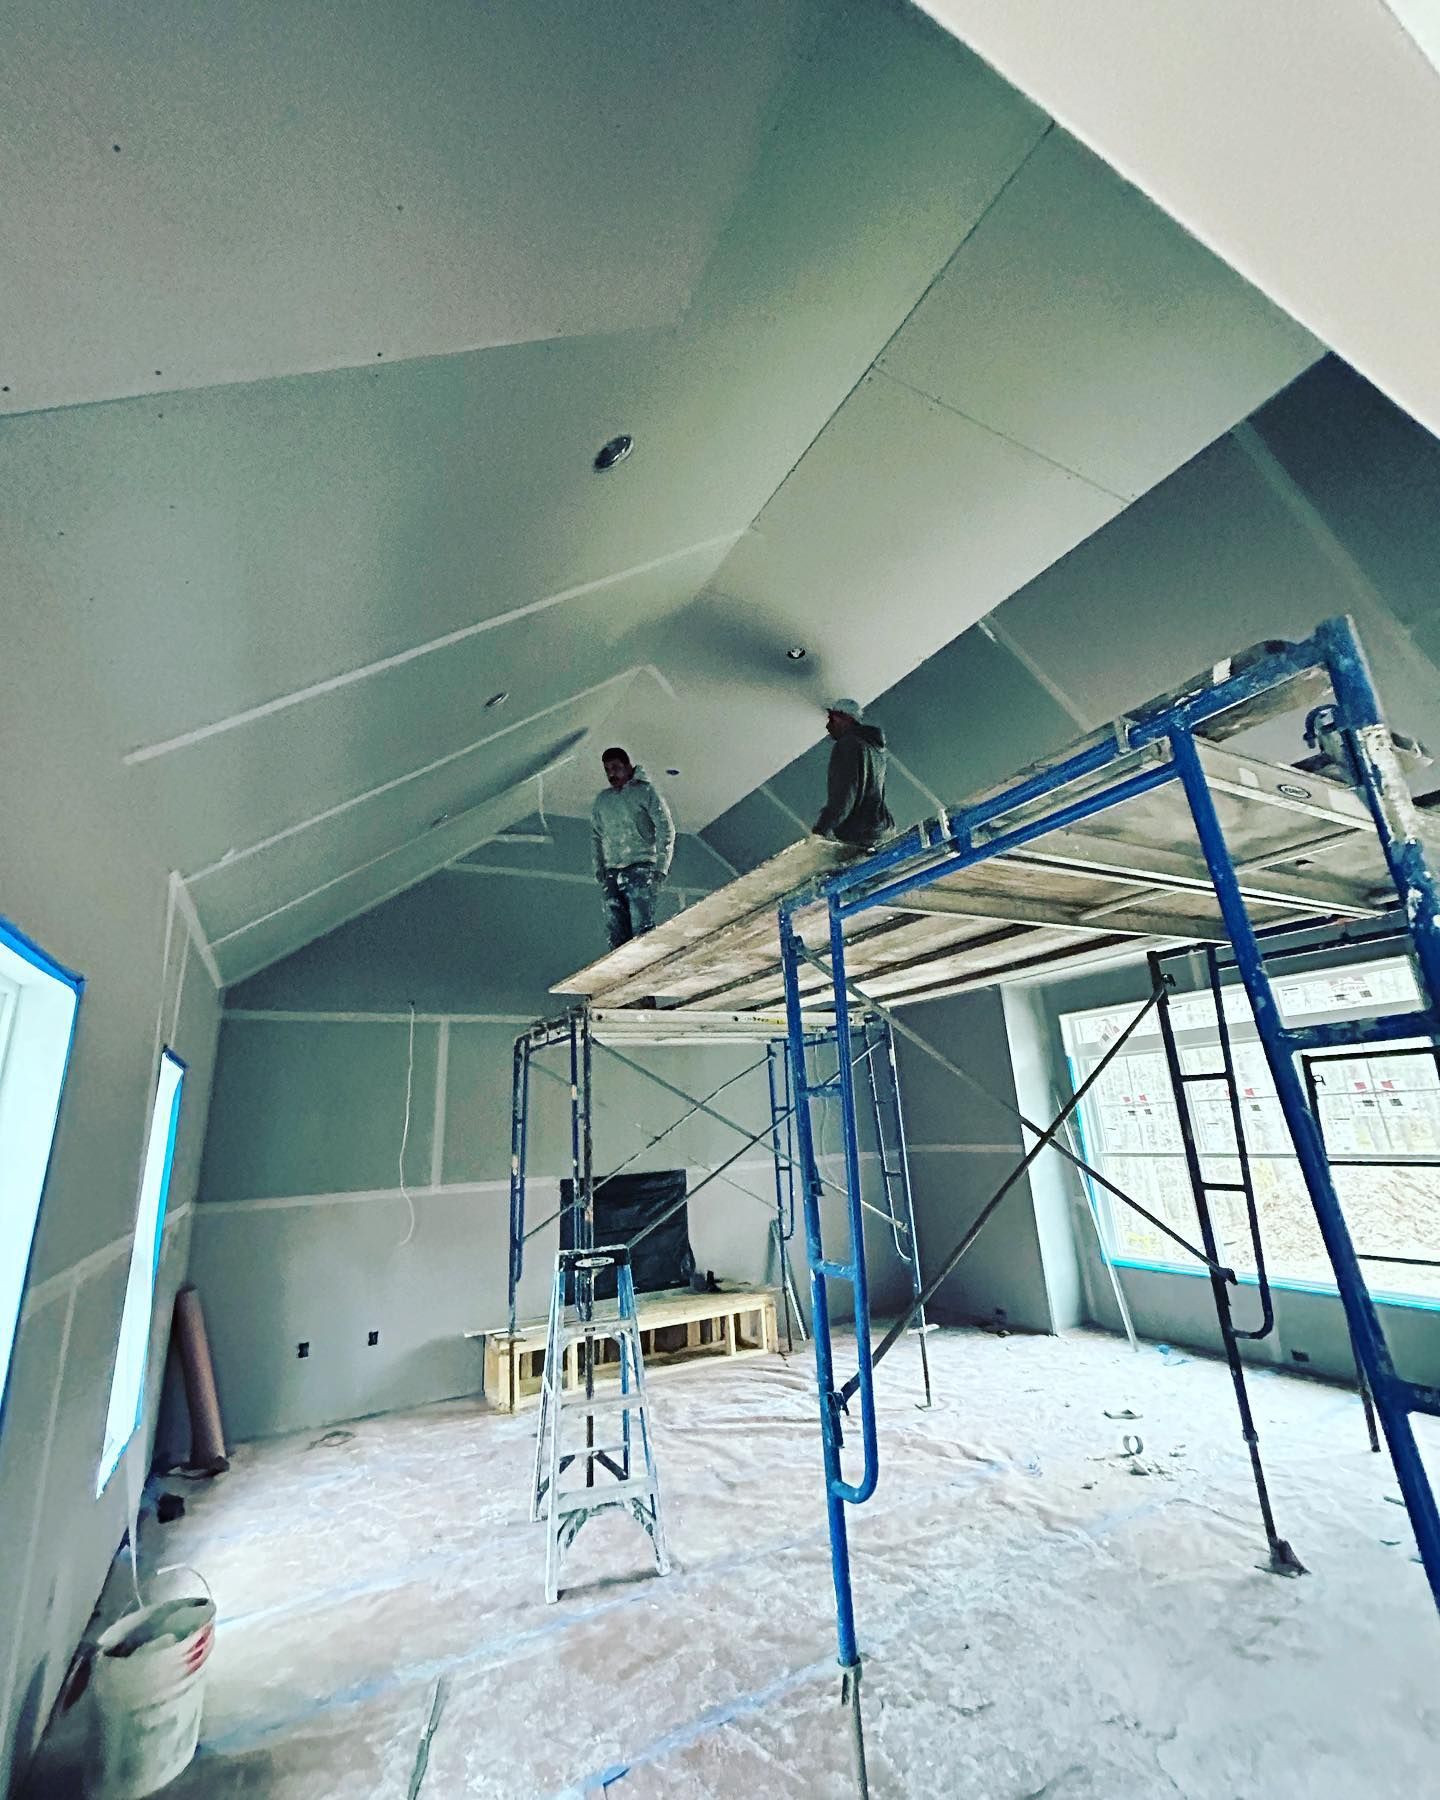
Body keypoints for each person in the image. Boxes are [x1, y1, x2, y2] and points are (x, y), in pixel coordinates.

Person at [592, 748, 676, 951]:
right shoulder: (603, 801)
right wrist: (600, 869)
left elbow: (666, 829)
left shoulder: (645, 792)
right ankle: (621, 975)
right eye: (607, 770)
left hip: (640, 867)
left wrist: (660, 869)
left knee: (641, 929)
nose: (611, 774)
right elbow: (596, 835)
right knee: (616, 932)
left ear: (628, 766)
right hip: (612, 871)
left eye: (616, 768)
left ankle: (644, 968)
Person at [812, 697, 895, 847]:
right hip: (881, 828)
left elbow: (845, 792)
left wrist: (821, 829)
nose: (828, 726)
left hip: (859, 832)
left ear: (846, 719)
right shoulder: (875, 747)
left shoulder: (848, 745)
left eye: (832, 719)